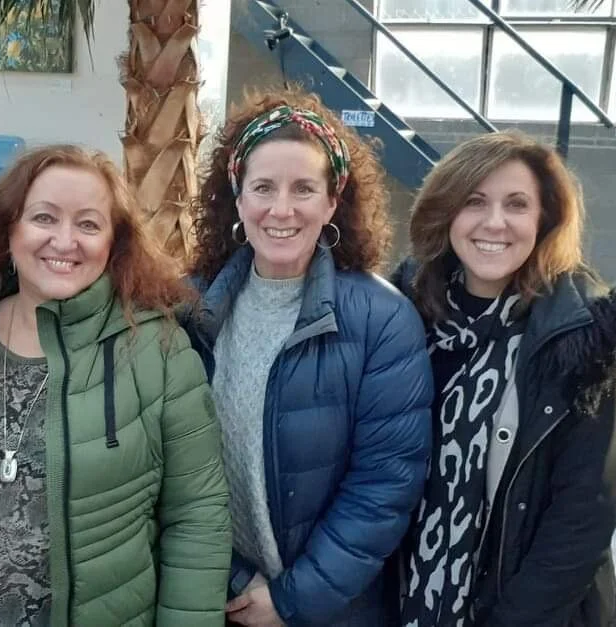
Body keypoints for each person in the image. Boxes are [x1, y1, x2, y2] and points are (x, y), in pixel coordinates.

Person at [0, 144, 231, 625]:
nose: (64, 241)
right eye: (44, 218)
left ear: (114, 243)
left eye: (88, 224)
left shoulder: (159, 351)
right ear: (10, 229)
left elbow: (198, 520)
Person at [393, 131, 616, 627]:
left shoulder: (591, 333)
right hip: (410, 599)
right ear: (447, 212)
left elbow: (582, 519)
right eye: (474, 201)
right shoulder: (409, 309)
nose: (494, 223)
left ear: (545, 219)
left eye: (516, 204)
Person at [185, 88, 433, 626]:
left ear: (331, 200)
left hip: (334, 609)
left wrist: (290, 599)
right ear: (238, 196)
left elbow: (384, 485)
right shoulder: (189, 309)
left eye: (304, 188)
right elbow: (169, 468)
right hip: (219, 599)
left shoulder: (382, 320)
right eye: (264, 188)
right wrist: (234, 581)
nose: (282, 209)